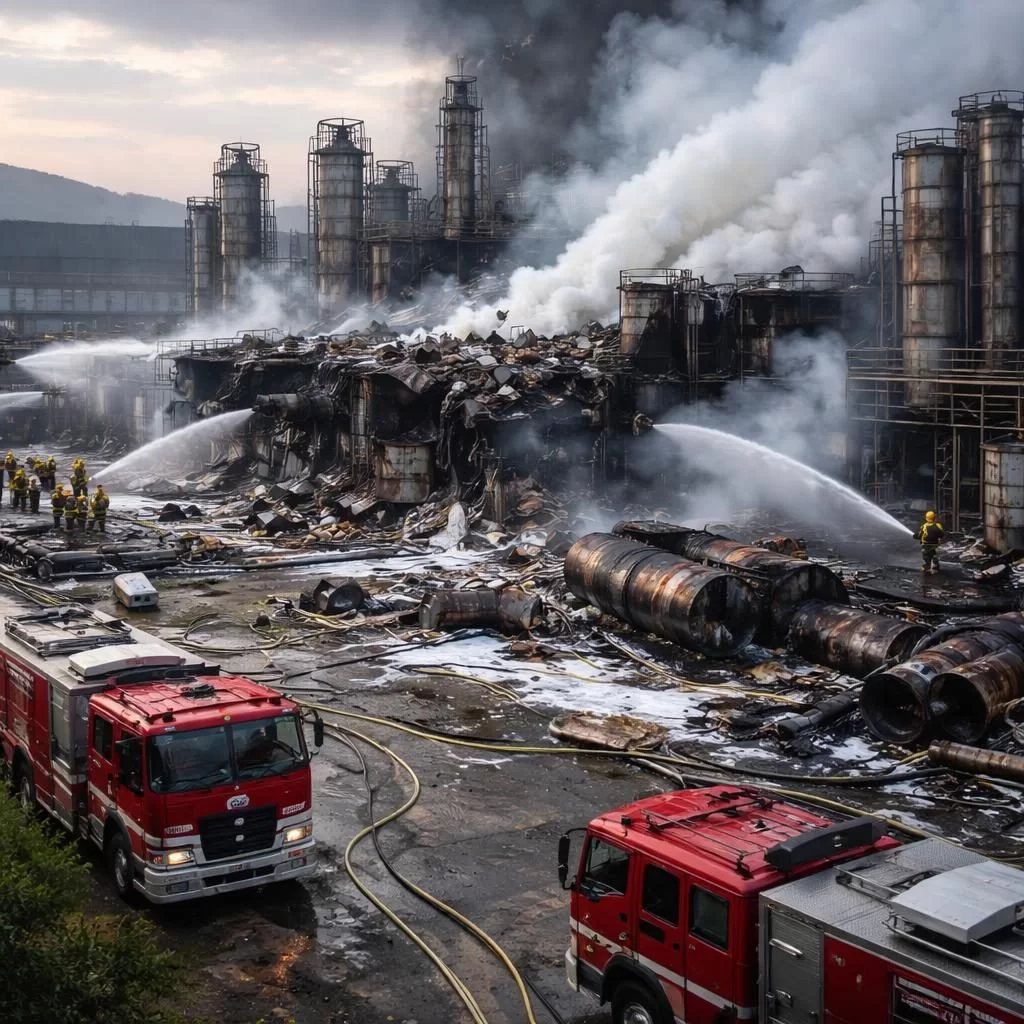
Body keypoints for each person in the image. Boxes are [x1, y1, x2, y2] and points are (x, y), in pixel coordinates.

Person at [915, 510, 944, 575]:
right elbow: (942, 534)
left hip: (925, 545)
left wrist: (915, 536)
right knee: (935, 555)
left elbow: (919, 535)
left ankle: (926, 567)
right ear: (934, 518)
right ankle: (935, 566)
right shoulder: (938, 525)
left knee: (926, 557)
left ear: (926, 518)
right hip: (935, 544)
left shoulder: (924, 526)